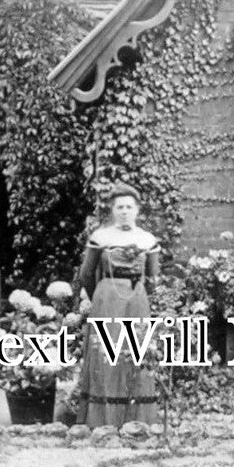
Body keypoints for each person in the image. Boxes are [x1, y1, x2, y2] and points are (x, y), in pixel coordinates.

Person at [76, 182, 161, 427]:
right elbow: (86, 274)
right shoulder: (101, 236)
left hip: (136, 299)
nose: (124, 211)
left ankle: (136, 419)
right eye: (119, 207)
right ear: (112, 210)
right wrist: (100, 298)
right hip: (106, 299)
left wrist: (142, 295)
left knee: (135, 352)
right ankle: (102, 420)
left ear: (137, 210)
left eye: (129, 207)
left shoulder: (146, 239)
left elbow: (154, 277)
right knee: (107, 353)